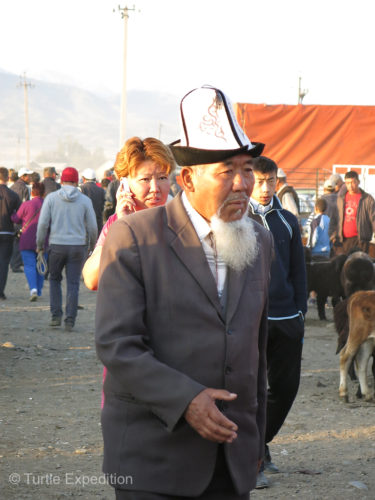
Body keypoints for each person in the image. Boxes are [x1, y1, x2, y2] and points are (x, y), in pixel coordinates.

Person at [95, 85, 273, 500]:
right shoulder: (135, 237)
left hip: (233, 460)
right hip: (155, 461)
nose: (243, 183)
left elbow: (256, 349)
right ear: (188, 178)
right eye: (227, 170)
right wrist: (187, 399)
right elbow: (117, 345)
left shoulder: (259, 241)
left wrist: (255, 437)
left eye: (247, 168)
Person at [247, 156, 307, 489]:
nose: (266, 188)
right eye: (259, 181)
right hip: (252, 320)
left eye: (271, 181)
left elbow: (299, 269)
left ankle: (259, 442)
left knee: (285, 388)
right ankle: (251, 456)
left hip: (287, 318)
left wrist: (301, 312)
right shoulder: (238, 217)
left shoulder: (286, 220)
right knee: (250, 390)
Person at [82, 137, 176, 291]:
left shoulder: (179, 219)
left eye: (162, 178)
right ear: (124, 184)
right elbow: (92, 279)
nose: (155, 188)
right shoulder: (117, 223)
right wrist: (122, 229)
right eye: (145, 179)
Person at [36, 167, 97, 331]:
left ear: (61, 181)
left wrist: (40, 245)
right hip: (78, 247)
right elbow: (92, 227)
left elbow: (42, 224)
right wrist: (92, 247)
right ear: (77, 181)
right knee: (73, 283)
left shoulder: (51, 198)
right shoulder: (85, 200)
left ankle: (56, 315)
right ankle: (70, 319)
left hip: (56, 245)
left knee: (55, 280)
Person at [11, 182, 48, 301]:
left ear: (32, 192)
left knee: (29, 265)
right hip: (43, 241)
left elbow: (16, 219)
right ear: (44, 193)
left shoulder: (26, 204)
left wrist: (12, 213)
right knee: (41, 265)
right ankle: (40, 290)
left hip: (26, 240)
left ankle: (33, 289)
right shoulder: (48, 205)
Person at [331, 170, 375, 255]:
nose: (350, 185)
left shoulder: (367, 199)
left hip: (361, 240)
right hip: (343, 241)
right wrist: (333, 236)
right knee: (344, 266)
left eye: (353, 182)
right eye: (347, 183)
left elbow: (373, 218)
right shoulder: (340, 199)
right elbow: (334, 219)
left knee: (360, 265)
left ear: (358, 182)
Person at [0, 167, 21, 300]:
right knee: (4, 263)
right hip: (7, 232)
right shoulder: (13, 195)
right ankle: (0, 291)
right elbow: (18, 217)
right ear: (8, 178)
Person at [10, 167, 33, 272]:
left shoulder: (13, 186)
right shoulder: (24, 188)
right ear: (23, 176)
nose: (30, 177)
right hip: (20, 218)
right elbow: (25, 205)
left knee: (16, 240)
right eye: (28, 175)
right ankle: (15, 264)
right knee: (19, 241)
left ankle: (16, 262)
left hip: (13, 217)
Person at [80, 168, 105, 235]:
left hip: (84, 225)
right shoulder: (101, 190)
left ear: (83, 178)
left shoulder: (81, 189)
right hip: (97, 224)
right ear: (94, 179)